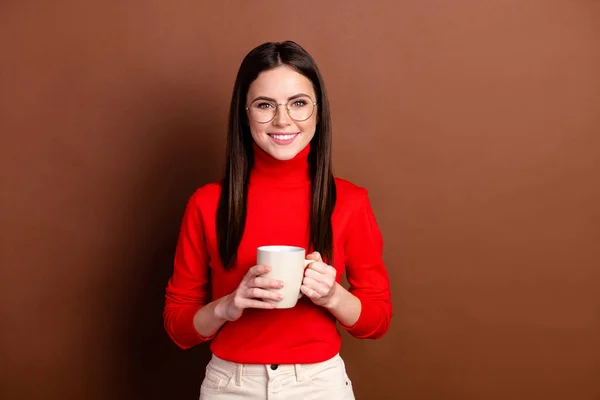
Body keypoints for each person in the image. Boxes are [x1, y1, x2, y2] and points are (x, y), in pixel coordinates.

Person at [163, 40, 392, 399]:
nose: (282, 120)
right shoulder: (206, 203)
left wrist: (332, 295)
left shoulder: (349, 201)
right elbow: (178, 326)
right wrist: (228, 305)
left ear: (318, 111)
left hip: (319, 385)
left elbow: (376, 321)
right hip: (230, 386)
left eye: (298, 103)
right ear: (244, 113)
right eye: (265, 105)